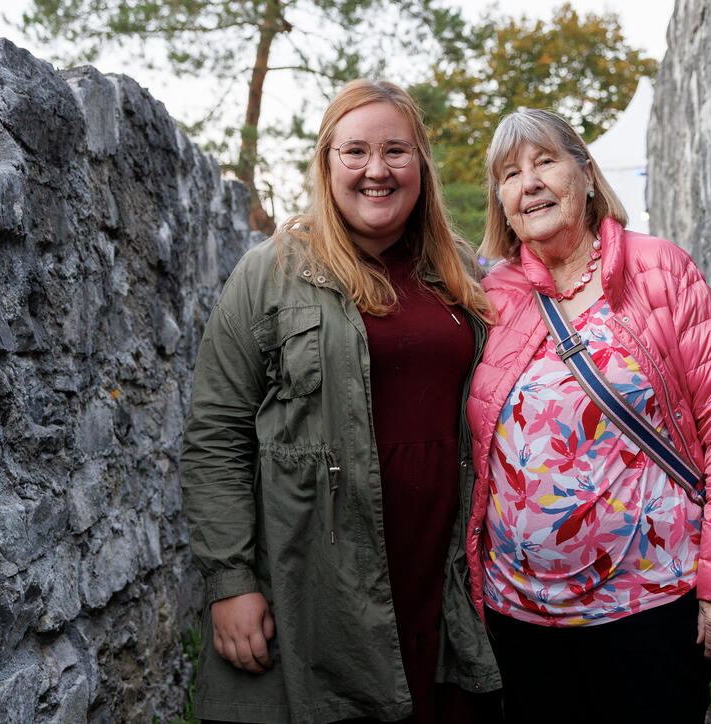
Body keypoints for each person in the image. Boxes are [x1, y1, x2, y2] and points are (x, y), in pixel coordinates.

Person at [179, 79, 500, 724]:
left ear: (421, 165)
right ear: (326, 163)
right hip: (315, 581)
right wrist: (230, 582)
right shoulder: (270, 273)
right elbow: (215, 434)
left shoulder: (464, 274)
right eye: (355, 152)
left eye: (396, 151)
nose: (376, 170)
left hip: (442, 576)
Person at [464, 109, 711, 722]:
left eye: (545, 161)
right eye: (510, 174)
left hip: (649, 606)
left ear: (586, 174)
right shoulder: (488, 296)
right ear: (501, 202)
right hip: (520, 616)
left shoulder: (660, 270)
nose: (529, 183)